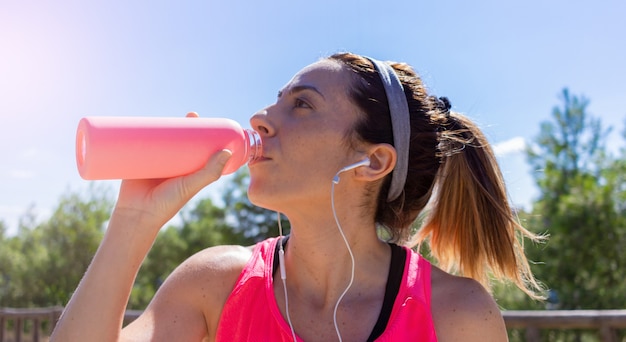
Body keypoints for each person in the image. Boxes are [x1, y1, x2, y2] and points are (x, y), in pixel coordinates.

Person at [51, 52, 544, 341]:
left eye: (302, 104)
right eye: (275, 99)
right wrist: (133, 220)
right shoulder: (215, 285)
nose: (261, 118)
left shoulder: (455, 315)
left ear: (373, 162)